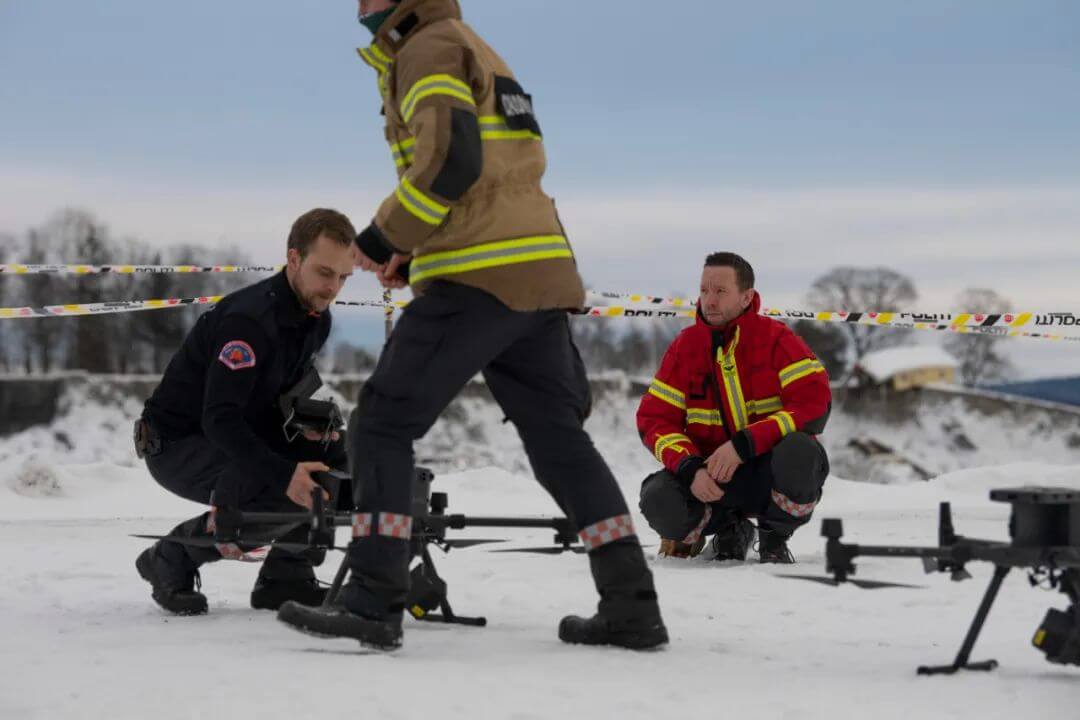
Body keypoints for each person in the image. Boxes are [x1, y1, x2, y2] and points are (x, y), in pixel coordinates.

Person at [277, 0, 667, 651]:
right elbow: (490, 174)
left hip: (480, 276)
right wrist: (415, 250)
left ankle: (374, 600)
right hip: (536, 271)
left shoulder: (425, 47)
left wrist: (383, 237)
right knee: (559, 444)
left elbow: (454, 159)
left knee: (381, 420)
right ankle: (632, 605)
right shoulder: (471, 44)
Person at [134, 208, 358, 615]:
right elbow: (219, 419)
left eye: (344, 278)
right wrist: (284, 471)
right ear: (294, 259)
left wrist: (317, 434)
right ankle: (171, 556)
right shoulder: (248, 323)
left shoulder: (314, 319)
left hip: (234, 432)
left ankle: (285, 578)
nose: (333, 289)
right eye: (325, 273)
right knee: (291, 488)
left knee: (334, 466)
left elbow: (280, 396)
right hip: (178, 444)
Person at [636, 252, 831, 564]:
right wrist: (690, 468)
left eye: (720, 292)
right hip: (710, 481)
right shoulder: (685, 347)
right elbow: (654, 419)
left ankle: (774, 536)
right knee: (657, 497)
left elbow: (814, 402)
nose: (709, 301)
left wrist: (745, 444)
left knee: (801, 452)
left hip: (768, 475)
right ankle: (729, 529)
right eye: (704, 291)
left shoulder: (777, 339)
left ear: (746, 297)